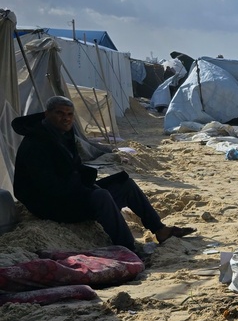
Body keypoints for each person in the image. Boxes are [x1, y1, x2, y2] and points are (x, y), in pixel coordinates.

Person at [12, 96, 195, 254]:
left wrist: (85, 182)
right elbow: (48, 185)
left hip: (67, 193)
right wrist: (85, 188)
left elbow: (73, 169)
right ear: (47, 114)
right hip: (48, 204)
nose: (65, 119)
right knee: (100, 195)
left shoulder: (61, 135)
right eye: (60, 113)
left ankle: (159, 229)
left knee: (124, 183)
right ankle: (128, 248)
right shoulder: (36, 143)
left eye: (69, 114)